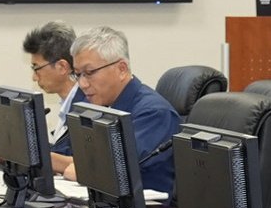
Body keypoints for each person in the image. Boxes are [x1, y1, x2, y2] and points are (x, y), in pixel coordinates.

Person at [47, 27, 181, 194]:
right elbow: (68, 155)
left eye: (89, 73)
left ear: (121, 69)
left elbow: (114, 170)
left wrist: (78, 168)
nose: (82, 84)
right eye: (78, 74)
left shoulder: (155, 114)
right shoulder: (95, 107)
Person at [27, 22, 81, 142]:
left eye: (36, 68)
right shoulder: (69, 103)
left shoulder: (84, 113)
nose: (34, 78)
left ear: (62, 67)